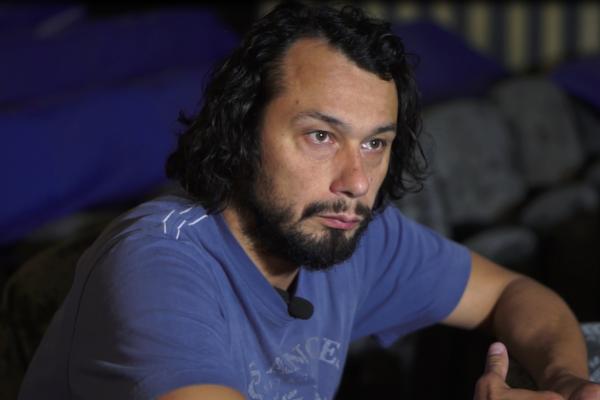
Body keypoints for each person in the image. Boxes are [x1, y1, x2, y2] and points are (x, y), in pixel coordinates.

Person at [19, 2, 600, 400]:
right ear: (241, 132)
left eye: (374, 143)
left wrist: (568, 382)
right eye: (321, 136)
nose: (356, 181)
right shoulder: (158, 261)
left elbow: (511, 292)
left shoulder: (350, 231)